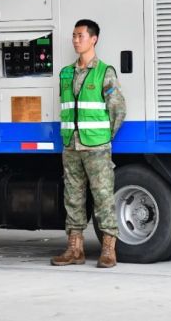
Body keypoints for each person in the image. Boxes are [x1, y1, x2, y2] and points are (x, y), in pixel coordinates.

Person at [51, 19, 126, 268]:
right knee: (73, 196)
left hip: (96, 146)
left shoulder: (105, 72)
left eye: (80, 35)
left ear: (93, 39)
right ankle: (75, 249)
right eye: (73, 35)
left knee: (103, 196)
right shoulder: (66, 73)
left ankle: (108, 250)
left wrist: (103, 137)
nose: (75, 40)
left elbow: (118, 110)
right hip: (71, 145)